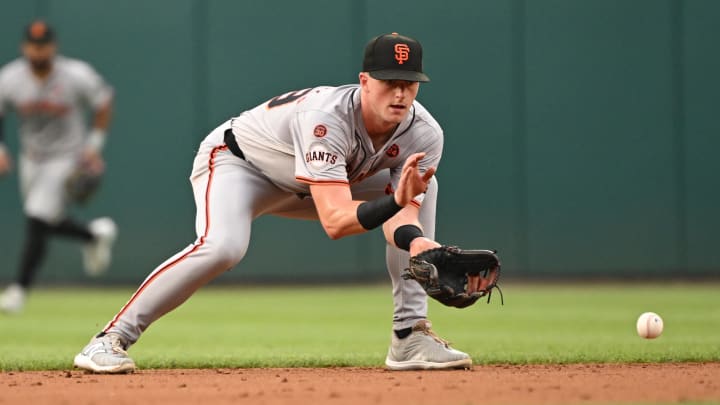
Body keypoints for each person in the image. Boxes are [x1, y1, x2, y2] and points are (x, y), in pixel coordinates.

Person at [74, 32, 482, 373]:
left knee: (427, 190)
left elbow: (402, 212)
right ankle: (109, 339)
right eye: (388, 81)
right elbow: (337, 222)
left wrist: (416, 243)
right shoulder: (328, 118)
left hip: (321, 182)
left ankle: (409, 335)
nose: (399, 92)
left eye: (409, 83)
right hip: (242, 165)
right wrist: (395, 201)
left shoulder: (424, 133)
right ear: (364, 81)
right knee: (223, 246)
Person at [0, 20, 117, 314]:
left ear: (53, 46)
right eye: (33, 45)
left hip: (67, 156)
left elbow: (104, 100)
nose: (38, 50)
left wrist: (94, 146)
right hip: (32, 158)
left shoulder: (75, 74)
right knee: (46, 220)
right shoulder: (11, 78)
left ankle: (18, 290)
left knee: (37, 216)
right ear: (24, 46)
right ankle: (93, 235)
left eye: (44, 44)